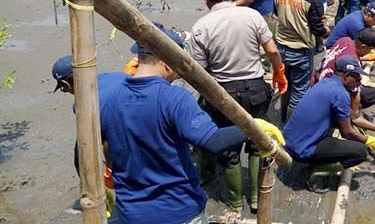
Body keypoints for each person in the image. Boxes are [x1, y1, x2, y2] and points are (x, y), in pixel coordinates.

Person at [99, 23, 285, 223]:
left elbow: (94, 146)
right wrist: (253, 126)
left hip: (131, 212)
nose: (180, 71)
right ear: (167, 63)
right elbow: (213, 140)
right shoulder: (174, 99)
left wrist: (105, 183)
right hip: (178, 209)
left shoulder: (110, 97)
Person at [190, 0, 288, 213]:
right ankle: (255, 198)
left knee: (229, 151)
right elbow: (272, 50)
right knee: (257, 143)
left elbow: (199, 74)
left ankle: (235, 203)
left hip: (223, 95)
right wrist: (278, 71)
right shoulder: (251, 16)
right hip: (255, 89)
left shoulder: (200, 27)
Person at [283, 55, 375, 171]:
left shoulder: (326, 82)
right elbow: (347, 133)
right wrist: (369, 140)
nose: (359, 83)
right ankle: (317, 173)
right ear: (347, 76)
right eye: (357, 79)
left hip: (288, 141)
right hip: (302, 150)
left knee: (340, 121)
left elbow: (354, 117)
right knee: (360, 152)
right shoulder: (341, 94)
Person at [51, 55, 124, 218]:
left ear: (65, 84)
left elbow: (106, 142)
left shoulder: (84, 104)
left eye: (63, 88)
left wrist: (111, 171)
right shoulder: (116, 76)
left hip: (126, 140)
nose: (65, 92)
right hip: (151, 125)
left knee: (80, 155)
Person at [274, 0, 329, 121]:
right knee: (300, 90)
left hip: (281, 47)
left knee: (285, 85)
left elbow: (276, 13)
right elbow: (318, 29)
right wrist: (325, 30)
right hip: (301, 49)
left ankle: (283, 117)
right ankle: (292, 126)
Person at [313, 29, 375, 139]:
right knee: (366, 97)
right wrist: (355, 116)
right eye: (370, 49)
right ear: (363, 46)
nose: (370, 52)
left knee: (370, 93)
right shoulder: (352, 62)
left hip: (319, 83)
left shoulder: (345, 40)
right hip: (329, 95)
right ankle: (340, 120)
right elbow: (355, 94)